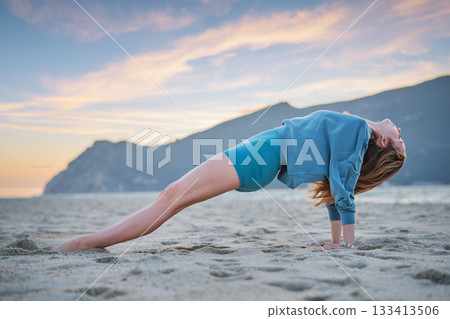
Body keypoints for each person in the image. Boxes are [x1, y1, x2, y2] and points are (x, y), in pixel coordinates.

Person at [54, 110, 406, 253]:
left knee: (170, 197)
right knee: (171, 199)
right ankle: (93, 241)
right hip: (258, 160)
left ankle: (89, 242)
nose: (400, 131)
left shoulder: (360, 131)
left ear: (382, 143)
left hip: (258, 159)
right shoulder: (355, 134)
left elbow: (343, 195)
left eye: (399, 139)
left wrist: (344, 245)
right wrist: (335, 243)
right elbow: (337, 189)